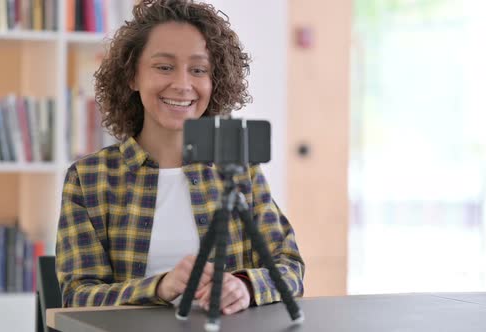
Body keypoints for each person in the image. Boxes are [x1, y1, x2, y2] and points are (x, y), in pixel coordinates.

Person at [55, 0, 304, 316]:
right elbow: (78, 296)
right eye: (164, 66)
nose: (183, 84)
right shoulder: (89, 178)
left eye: (199, 70)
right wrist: (159, 287)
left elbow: (290, 268)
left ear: (214, 82)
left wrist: (245, 285)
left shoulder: (240, 170)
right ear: (132, 76)